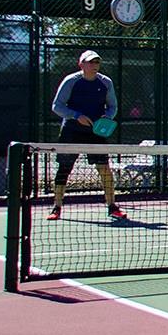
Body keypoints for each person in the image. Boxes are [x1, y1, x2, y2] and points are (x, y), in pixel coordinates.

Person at [48, 49, 127, 221]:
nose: (94, 65)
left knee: (104, 168)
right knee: (64, 169)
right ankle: (57, 207)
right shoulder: (71, 81)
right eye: (90, 62)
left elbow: (112, 107)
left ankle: (112, 206)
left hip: (95, 132)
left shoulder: (105, 82)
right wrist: (76, 116)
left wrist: (107, 118)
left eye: (96, 62)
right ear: (81, 64)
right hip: (71, 130)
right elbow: (57, 106)